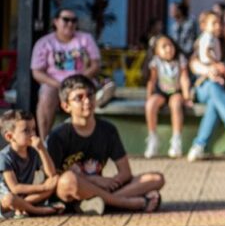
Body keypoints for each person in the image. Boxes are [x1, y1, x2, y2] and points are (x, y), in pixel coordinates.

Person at [48, 75, 164, 214]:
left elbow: (125, 172)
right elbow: (53, 178)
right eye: (79, 98)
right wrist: (96, 180)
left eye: (90, 95)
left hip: (103, 189)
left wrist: (113, 181)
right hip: (74, 192)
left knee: (156, 178)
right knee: (67, 181)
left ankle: (102, 203)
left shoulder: (108, 130)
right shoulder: (58, 135)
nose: (87, 101)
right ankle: (127, 203)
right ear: (66, 106)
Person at [30, 8, 115, 137]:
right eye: (66, 20)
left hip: (82, 82)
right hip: (55, 84)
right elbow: (36, 72)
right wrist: (60, 84)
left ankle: (87, 134)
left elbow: (95, 65)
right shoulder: (44, 42)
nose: (70, 24)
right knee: (46, 93)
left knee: (101, 89)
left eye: (74, 20)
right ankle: (44, 141)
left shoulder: (85, 39)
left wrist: (76, 81)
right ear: (56, 22)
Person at [187, 12, 225, 161]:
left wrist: (224, 71)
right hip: (206, 87)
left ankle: (199, 146)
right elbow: (193, 64)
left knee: (216, 100)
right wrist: (209, 70)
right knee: (214, 90)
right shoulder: (209, 41)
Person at [0, 109, 63, 217]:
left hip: (25, 197)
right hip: (6, 199)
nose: (32, 134)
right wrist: (43, 187)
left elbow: (51, 173)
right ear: (9, 137)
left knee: (55, 180)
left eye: (33, 129)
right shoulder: (4, 157)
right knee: (10, 198)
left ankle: (23, 207)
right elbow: (15, 188)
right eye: (26, 131)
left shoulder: (33, 151)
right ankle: (37, 210)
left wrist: (42, 149)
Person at [144, 36, 192, 159]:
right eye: (164, 46)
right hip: (161, 91)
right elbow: (152, 80)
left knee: (175, 104)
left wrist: (186, 96)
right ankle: (152, 139)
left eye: (170, 45)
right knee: (150, 105)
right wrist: (149, 96)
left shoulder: (180, 60)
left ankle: (176, 140)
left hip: (176, 91)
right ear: (156, 51)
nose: (168, 49)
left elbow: (184, 78)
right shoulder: (155, 62)